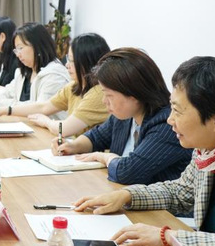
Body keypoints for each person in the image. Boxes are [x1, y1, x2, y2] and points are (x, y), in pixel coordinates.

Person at [74, 57, 215, 246]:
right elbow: (182, 191)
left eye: (177, 111)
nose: (170, 120)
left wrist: (168, 237)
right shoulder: (214, 144)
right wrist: (127, 195)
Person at [52, 48, 191, 185]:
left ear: (134, 94)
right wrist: (73, 146)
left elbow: (128, 172)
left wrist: (105, 157)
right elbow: (96, 137)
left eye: (109, 95)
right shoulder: (125, 116)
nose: (104, 101)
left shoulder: (167, 125)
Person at [0, 33, 111, 136]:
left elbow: (64, 129)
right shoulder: (74, 86)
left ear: (87, 63)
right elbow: (43, 107)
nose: (67, 65)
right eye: (68, 59)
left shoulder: (98, 93)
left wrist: (46, 122)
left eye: (72, 61)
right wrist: (4, 110)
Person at [0, 22, 70, 114]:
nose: (18, 54)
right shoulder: (24, 72)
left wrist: (0, 103)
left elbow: (39, 108)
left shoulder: (55, 75)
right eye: (16, 50)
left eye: (20, 48)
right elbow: (8, 92)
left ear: (37, 46)